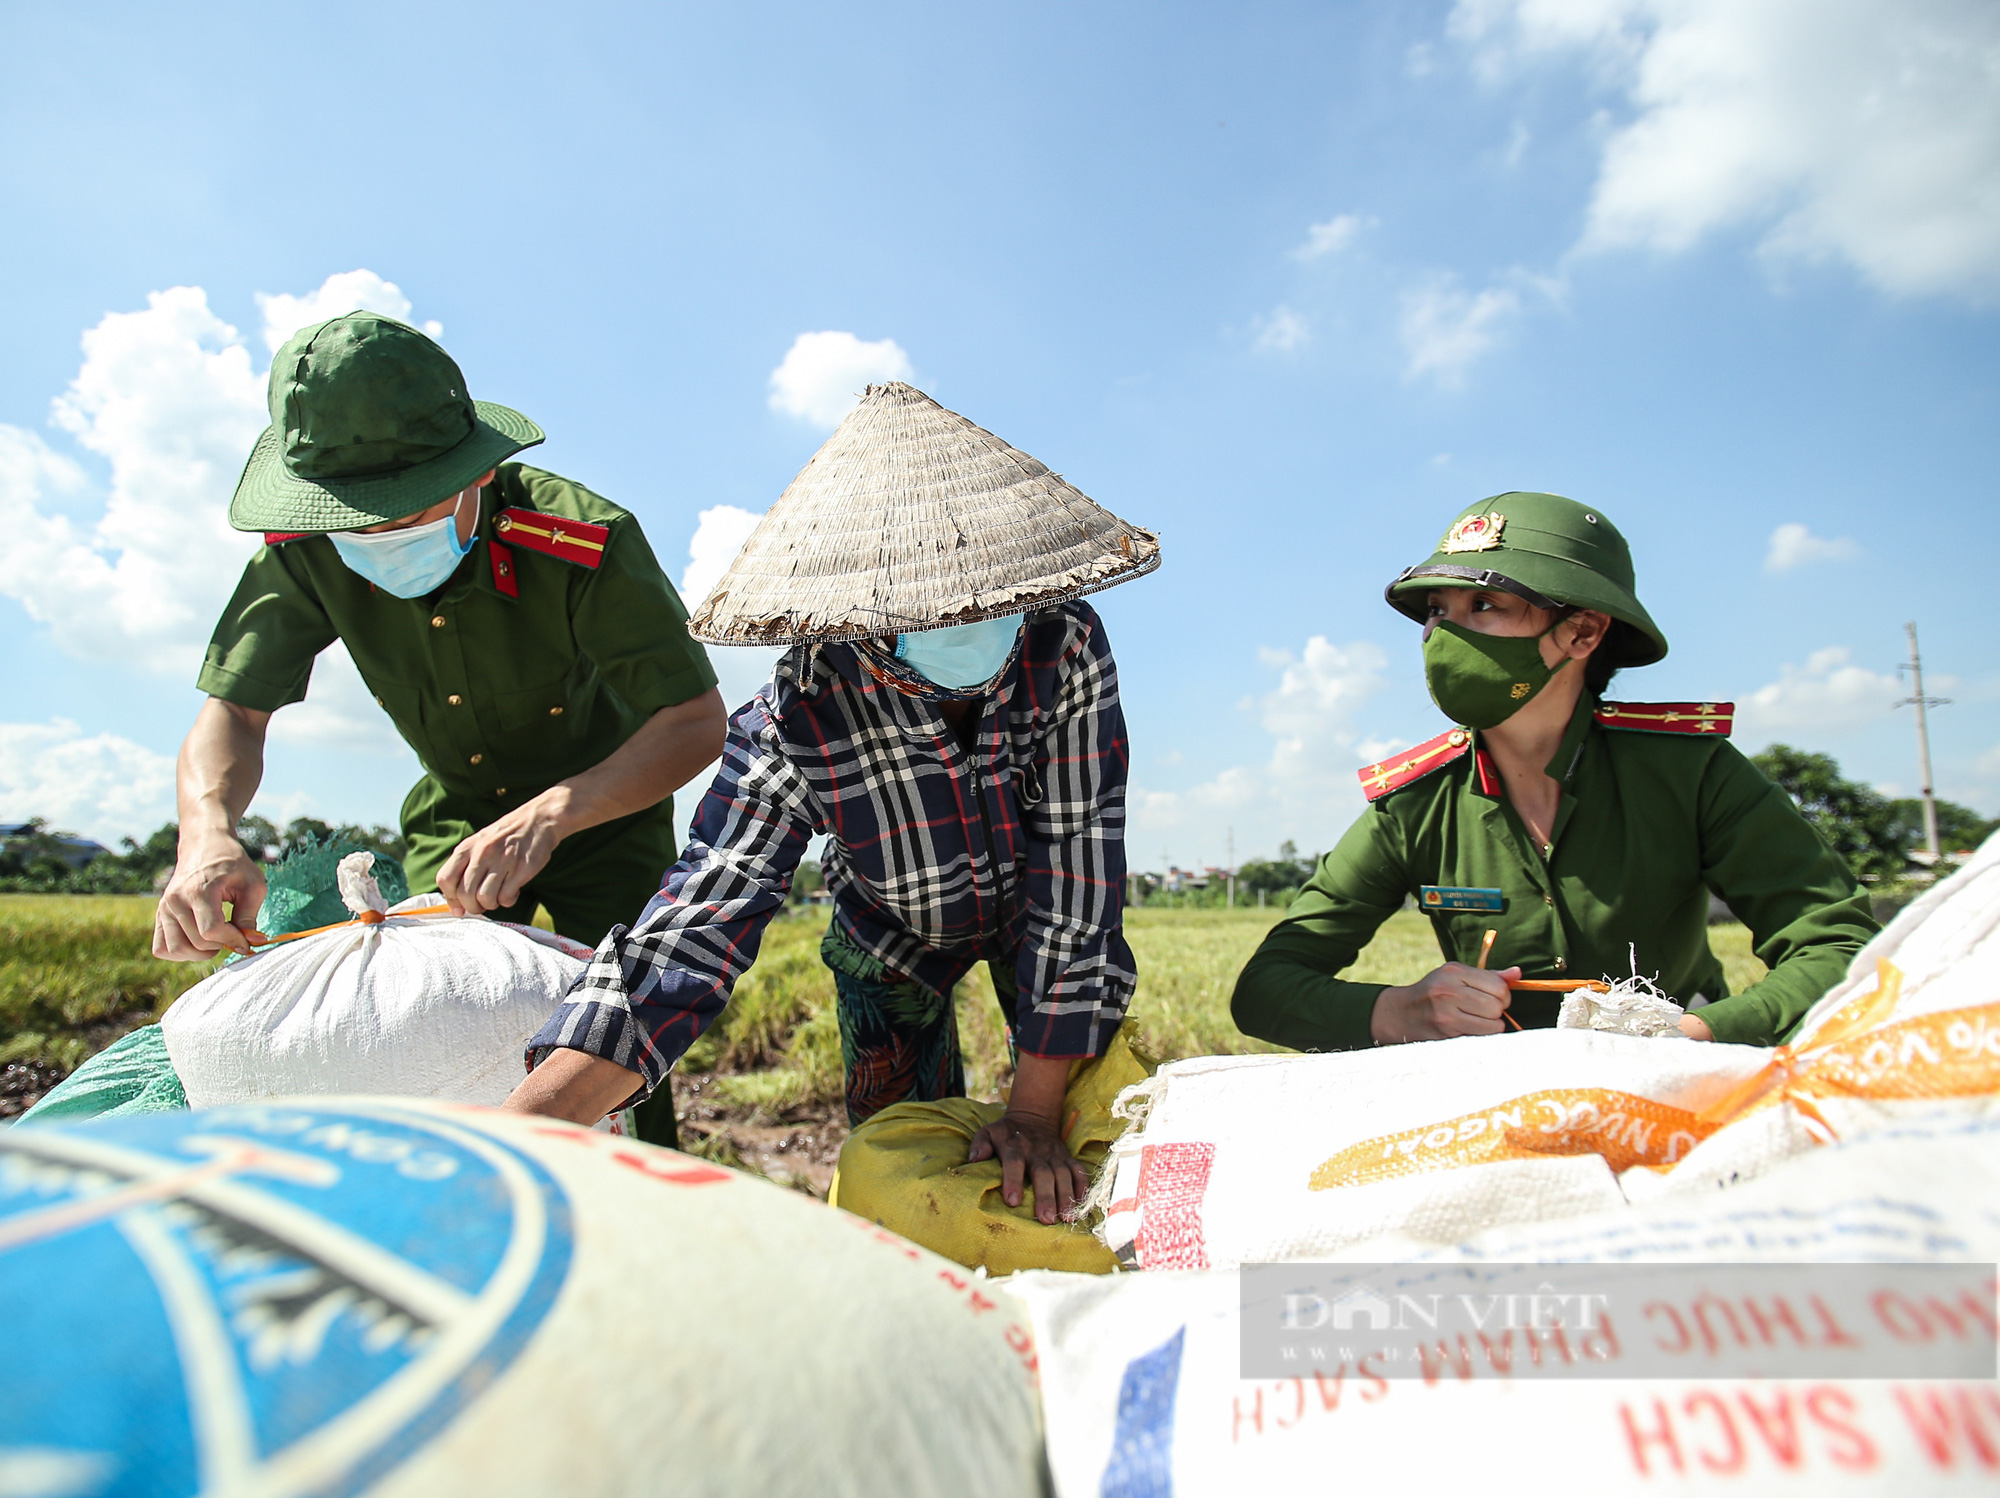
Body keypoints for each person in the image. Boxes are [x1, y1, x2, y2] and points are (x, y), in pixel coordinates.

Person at [504, 381, 1160, 1226]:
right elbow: (696, 928)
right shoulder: (798, 718)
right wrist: (528, 1125)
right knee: (901, 1172)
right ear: (864, 617)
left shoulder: (1064, 644)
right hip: (891, 929)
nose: (971, 620)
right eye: (930, 611)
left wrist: (1031, 1113)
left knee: (1081, 1157)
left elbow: (1079, 871)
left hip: (1041, 917)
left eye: (995, 603)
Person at [154, 311, 726, 1141]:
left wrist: (553, 814)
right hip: (457, 813)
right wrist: (206, 835)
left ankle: (639, 1201)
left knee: (614, 1032)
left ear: (470, 473)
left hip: (607, 811)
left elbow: (693, 721)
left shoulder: (581, 540)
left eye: (401, 515)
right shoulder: (309, 546)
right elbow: (235, 710)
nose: (375, 539)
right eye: (357, 519)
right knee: (426, 1017)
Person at [1232, 491, 1878, 1051]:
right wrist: (1402, 1010)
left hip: (1685, 1073)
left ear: (1583, 633)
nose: (1443, 635)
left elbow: (1839, 946)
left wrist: (1686, 1038)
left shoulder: (1691, 772)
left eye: (1484, 606)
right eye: (1437, 611)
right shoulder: (1414, 805)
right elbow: (1269, 987)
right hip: (1501, 1092)